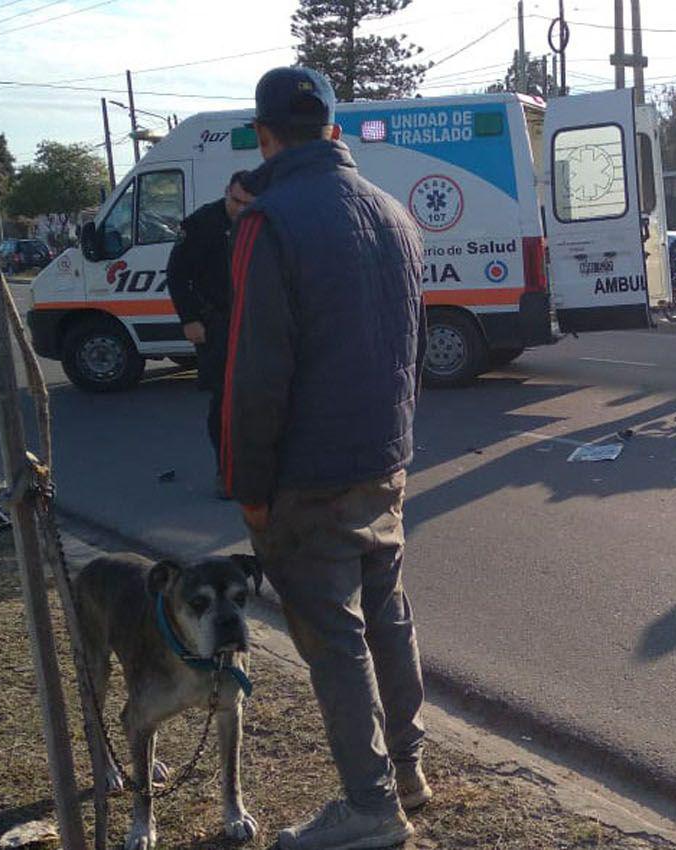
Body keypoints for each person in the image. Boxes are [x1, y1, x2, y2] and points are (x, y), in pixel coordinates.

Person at [223, 66, 429, 850]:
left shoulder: (268, 223)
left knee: (336, 640)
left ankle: (372, 807)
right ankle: (406, 770)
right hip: (385, 458)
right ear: (336, 132)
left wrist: (248, 486)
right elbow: (405, 347)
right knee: (388, 615)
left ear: (265, 137)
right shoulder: (393, 214)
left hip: (307, 474)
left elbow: (254, 371)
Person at [165, 170, 254, 499]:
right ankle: (226, 472)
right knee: (225, 403)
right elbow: (176, 275)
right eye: (236, 200)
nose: (240, 208)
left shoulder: (263, 221)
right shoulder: (201, 223)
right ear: (226, 192)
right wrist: (189, 318)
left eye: (248, 203)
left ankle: (262, 471)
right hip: (216, 325)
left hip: (257, 323)